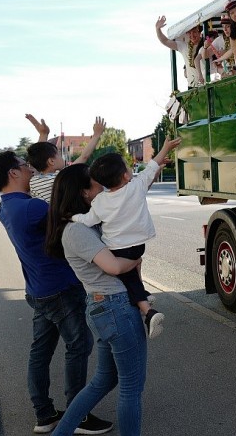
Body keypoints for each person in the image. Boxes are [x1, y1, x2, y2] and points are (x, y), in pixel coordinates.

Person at [0, 151, 112, 435]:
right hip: (59, 290)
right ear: (13, 174)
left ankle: (44, 415)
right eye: (24, 166)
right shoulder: (32, 209)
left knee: (40, 352)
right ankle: (78, 415)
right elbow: (75, 222)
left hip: (37, 289)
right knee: (79, 346)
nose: (31, 170)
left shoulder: (5, 207)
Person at [45, 164, 147, 436]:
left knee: (104, 380)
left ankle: (61, 432)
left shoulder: (82, 223)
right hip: (115, 308)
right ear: (84, 192)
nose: (101, 187)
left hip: (105, 308)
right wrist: (136, 259)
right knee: (131, 387)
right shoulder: (76, 231)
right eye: (95, 184)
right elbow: (113, 266)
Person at [70, 136, 182, 338]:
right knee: (133, 271)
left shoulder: (100, 201)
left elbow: (87, 221)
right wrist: (165, 147)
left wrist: (72, 217)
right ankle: (144, 296)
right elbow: (152, 165)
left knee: (128, 279)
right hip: (139, 245)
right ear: (125, 176)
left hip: (117, 249)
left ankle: (148, 312)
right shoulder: (136, 187)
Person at [26, 115, 107, 203]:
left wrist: (43, 134)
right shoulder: (61, 177)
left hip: (48, 216)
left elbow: (39, 154)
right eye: (59, 154)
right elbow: (84, 156)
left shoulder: (33, 181)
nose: (62, 157)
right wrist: (97, 135)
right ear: (51, 161)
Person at [155, 15, 205, 88]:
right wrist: (158, 29)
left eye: (194, 32)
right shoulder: (184, 46)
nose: (192, 35)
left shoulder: (206, 45)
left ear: (199, 32)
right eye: (189, 33)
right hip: (192, 86)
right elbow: (165, 41)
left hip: (207, 84)